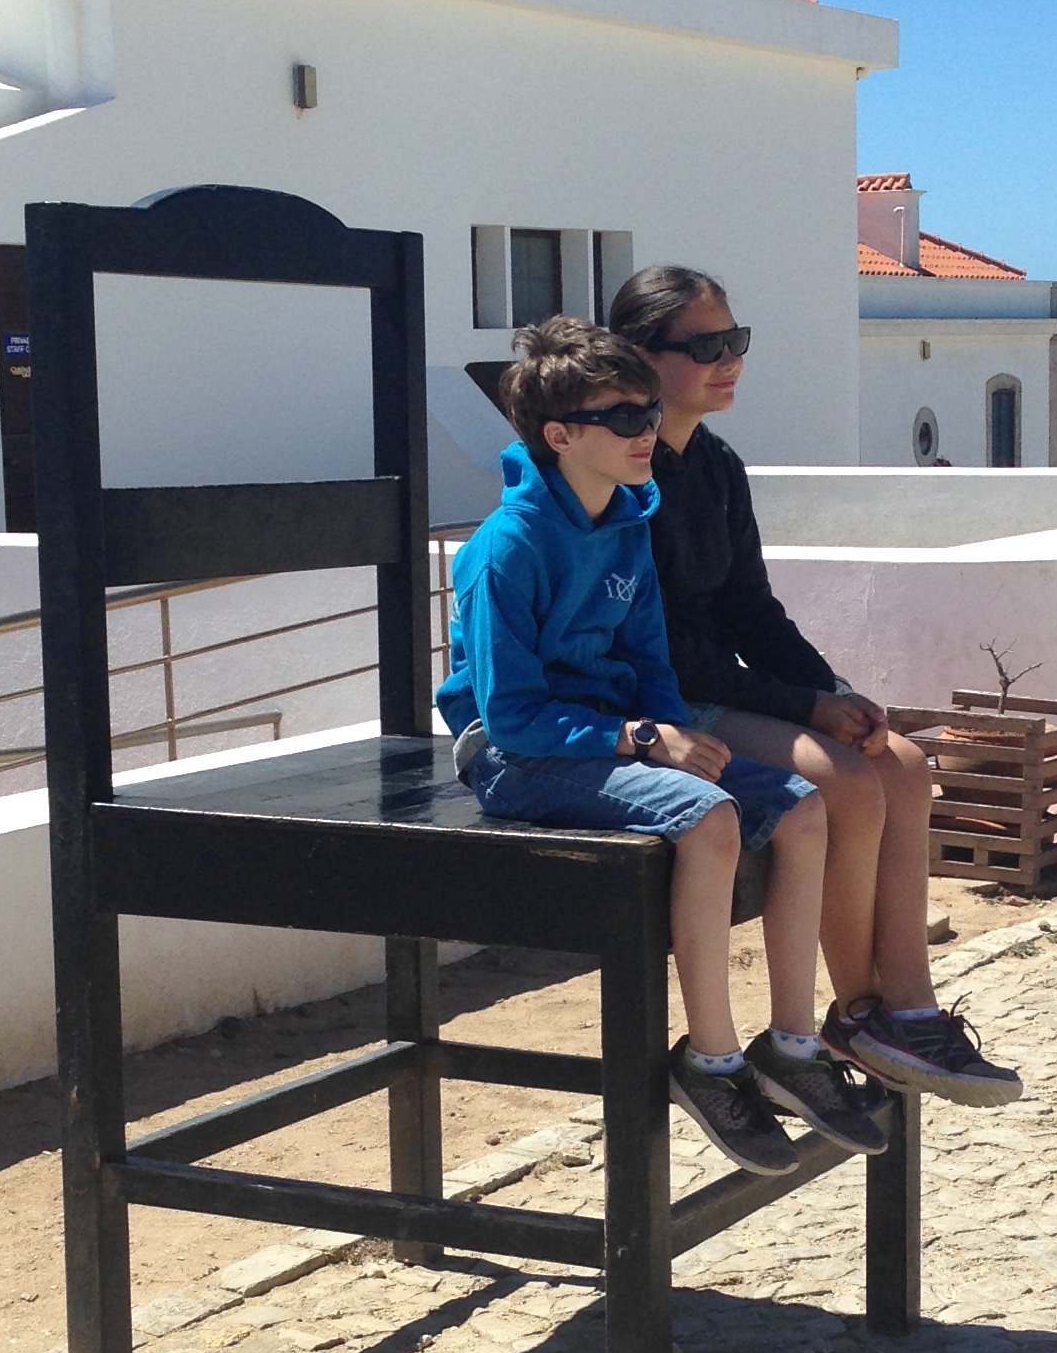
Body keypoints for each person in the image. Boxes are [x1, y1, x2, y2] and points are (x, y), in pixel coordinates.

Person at [435, 316, 887, 1176]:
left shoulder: (629, 523)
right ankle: (709, 1063)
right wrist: (642, 738)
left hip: (616, 739)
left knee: (802, 811)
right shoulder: (507, 549)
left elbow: (651, 664)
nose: (647, 431)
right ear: (560, 436)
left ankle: (792, 1047)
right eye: (622, 418)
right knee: (710, 819)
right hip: (518, 754)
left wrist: (671, 732)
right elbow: (512, 715)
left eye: (647, 412)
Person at [608, 264, 1022, 1109]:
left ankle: (911, 1007)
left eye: (737, 341)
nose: (730, 360)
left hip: (716, 687)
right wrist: (807, 707)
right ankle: (857, 1013)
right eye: (706, 346)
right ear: (640, 355)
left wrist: (834, 692)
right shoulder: (625, 474)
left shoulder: (716, 466)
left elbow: (752, 611)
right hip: (654, 703)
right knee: (846, 781)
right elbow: (670, 651)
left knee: (903, 762)